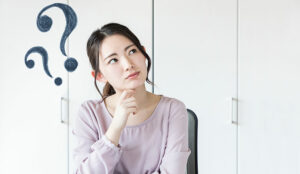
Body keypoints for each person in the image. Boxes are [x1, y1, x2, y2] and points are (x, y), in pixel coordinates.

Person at [72, 22, 191, 174]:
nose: (128, 64)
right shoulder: (89, 113)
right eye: (113, 60)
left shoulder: (172, 109)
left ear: (143, 53)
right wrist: (115, 127)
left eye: (132, 51)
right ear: (99, 76)